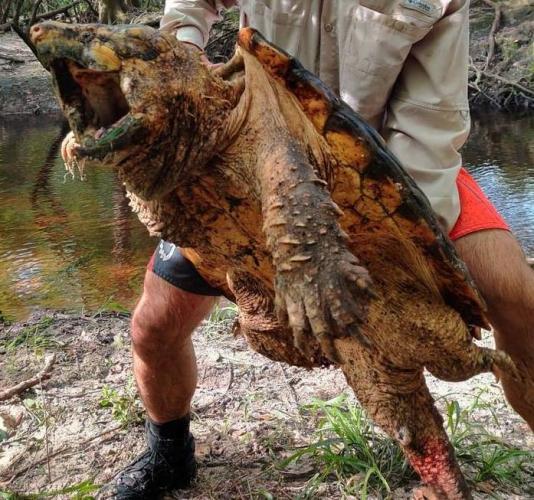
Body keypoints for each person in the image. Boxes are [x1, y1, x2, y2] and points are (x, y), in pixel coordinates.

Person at [106, 1, 534, 498]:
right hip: (248, 155)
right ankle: (169, 453)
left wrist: (387, 247)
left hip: (385, 166)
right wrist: (182, 51)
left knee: (520, 304)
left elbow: (426, 131)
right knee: (154, 326)